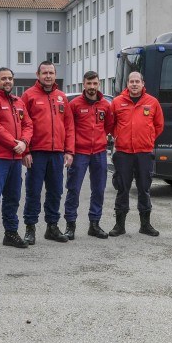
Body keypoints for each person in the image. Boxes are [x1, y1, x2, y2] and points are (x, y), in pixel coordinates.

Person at [0, 67, 33, 253]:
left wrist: (24, 143)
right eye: (3, 79)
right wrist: (15, 144)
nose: (7, 81)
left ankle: (10, 233)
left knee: (13, 197)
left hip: (15, 158)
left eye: (10, 78)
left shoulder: (18, 102)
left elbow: (28, 124)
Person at [21, 61, 75, 244]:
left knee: (55, 191)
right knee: (33, 191)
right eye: (44, 73)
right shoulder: (28, 96)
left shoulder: (61, 97)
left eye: (51, 72)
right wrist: (25, 151)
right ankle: (30, 228)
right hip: (36, 152)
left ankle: (52, 226)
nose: (48, 76)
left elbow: (68, 126)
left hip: (57, 153)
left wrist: (69, 151)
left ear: (55, 74)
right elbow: (23, 125)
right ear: (38, 74)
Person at [109, 71, 164, 237]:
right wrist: (120, 137)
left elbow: (159, 125)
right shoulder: (117, 102)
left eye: (137, 82)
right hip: (123, 153)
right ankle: (119, 226)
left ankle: (145, 225)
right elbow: (111, 125)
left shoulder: (152, 102)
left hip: (144, 153)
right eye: (131, 81)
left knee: (144, 189)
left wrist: (148, 138)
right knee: (122, 189)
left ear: (142, 83)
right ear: (127, 84)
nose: (134, 84)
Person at [64, 71, 114, 239]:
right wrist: (70, 151)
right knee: (73, 189)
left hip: (99, 153)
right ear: (83, 84)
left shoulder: (106, 105)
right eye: (89, 83)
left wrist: (99, 140)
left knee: (99, 189)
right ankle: (70, 225)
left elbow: (108, 126)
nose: (92, 87)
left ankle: (94, 224)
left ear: (98, 84)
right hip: (79, 153)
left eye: (95, 84)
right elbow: (69, 129)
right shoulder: (75, 104)